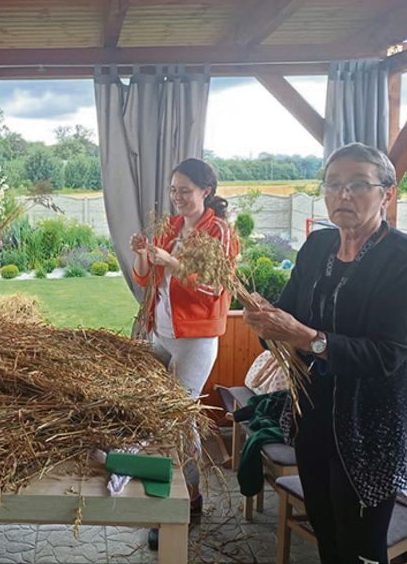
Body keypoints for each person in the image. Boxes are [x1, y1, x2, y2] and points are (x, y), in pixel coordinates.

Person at [244, 143, 407, 564]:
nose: (343, 195)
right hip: (312, 417)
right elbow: (287, 324)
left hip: (369, 428)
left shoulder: (400, 259)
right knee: (328, 537)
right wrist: (267, 323)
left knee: (361, 547)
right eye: (333, 185)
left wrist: (307, 337)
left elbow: (389, 356)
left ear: (386, 193)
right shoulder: (317, 248)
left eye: (358, 184)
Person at [130, 157, 238, 542]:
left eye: (185, 191)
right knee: (159, 415)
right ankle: (166, 497)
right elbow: (147, 278)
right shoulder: (171, 227)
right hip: (160, 334)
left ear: (206, 191)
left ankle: (186, 503)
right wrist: (144, 252)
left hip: (196, 340)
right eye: (173, 190)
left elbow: (212, 286)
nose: (177, 198)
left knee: (178, 419)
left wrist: (173, 261)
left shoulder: (218, 232)